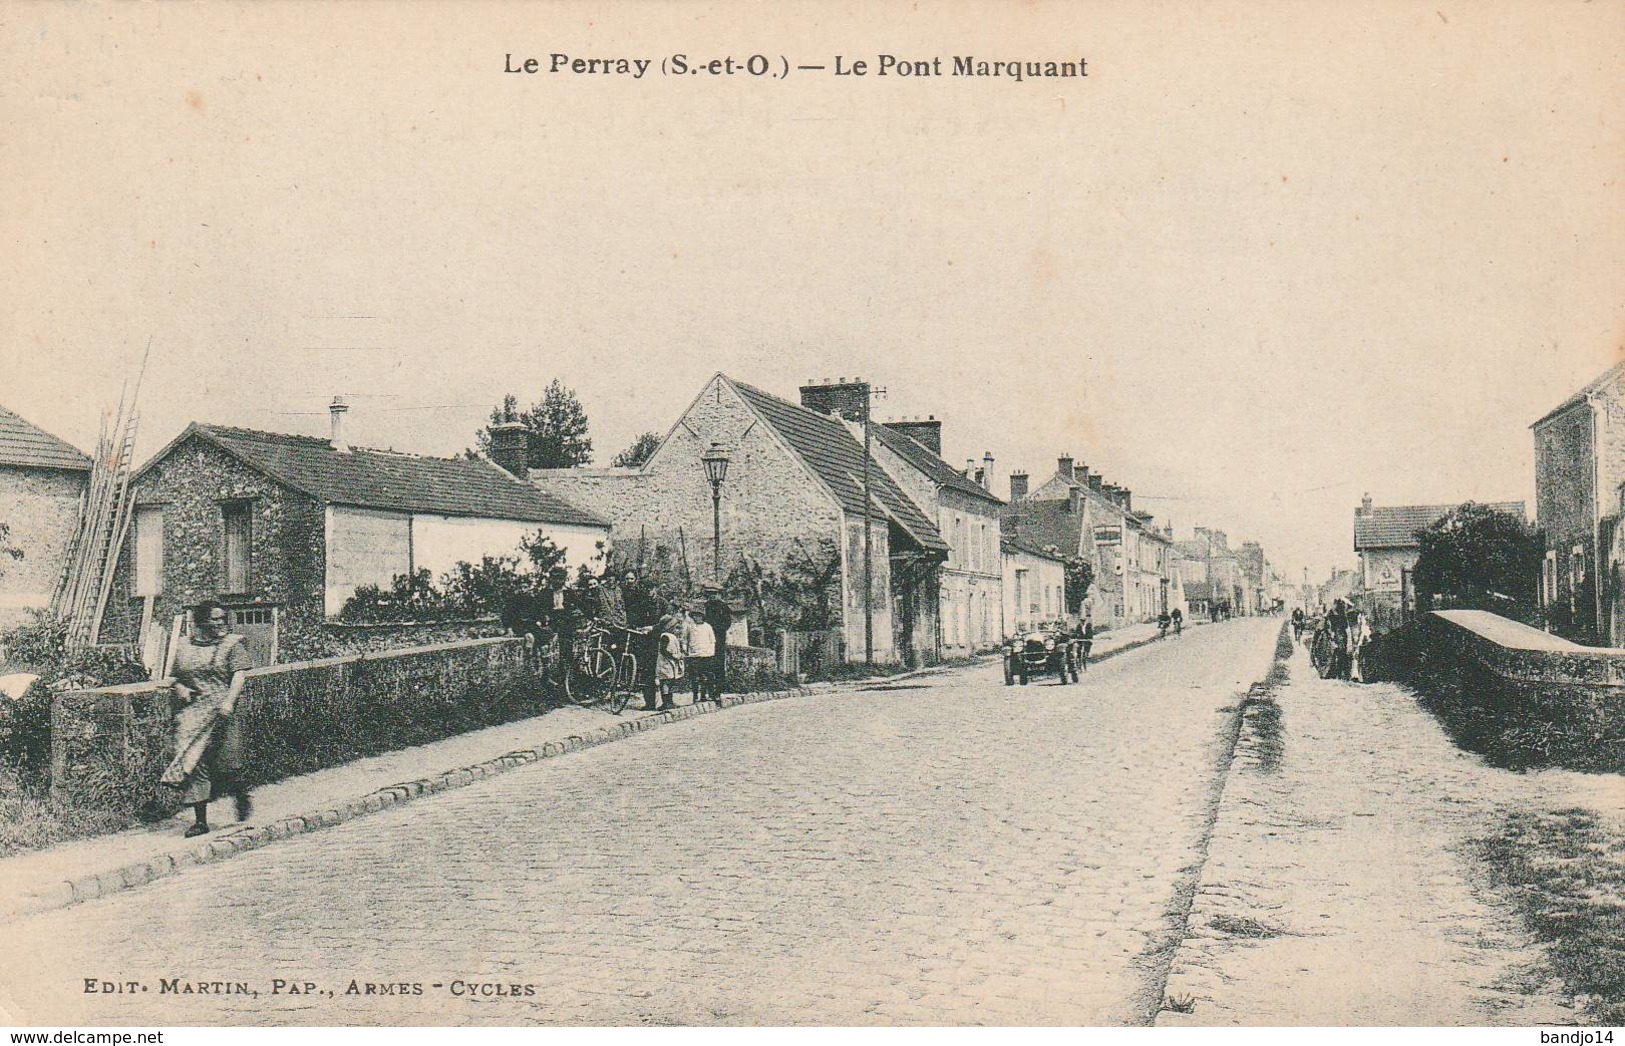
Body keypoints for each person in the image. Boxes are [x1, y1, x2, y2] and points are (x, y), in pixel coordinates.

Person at [162, 600, 255, 837]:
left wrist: (229, 702)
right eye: (215, 619)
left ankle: (240, 793)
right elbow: (175, 676)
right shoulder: (184, 646)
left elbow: (239, 676)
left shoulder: (232, 645)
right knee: (194, 764)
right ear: (202, 621)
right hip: (194, 712)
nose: (220, 624)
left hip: (223, 708)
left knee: (228, 764)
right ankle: (200, 821)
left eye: (223, 619)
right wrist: (180, 687)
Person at [622, 570, 662, 710]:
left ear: (655, 589)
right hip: (644, 640)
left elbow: (670, 621)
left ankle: (667, 701)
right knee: (646, 671)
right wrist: (637, 627)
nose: (649, 592)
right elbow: (635, 617)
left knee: (663, 671)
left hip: (660, 640)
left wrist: (653, 627)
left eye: (651, 589)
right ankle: (650, 703)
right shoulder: (642, 602)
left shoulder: (662, 603)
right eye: (646, 589)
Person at [653, 598, 688, 710]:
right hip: (665, 664)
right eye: (675, 628)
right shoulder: (665, 636)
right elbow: (664, 651)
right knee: (665, 683)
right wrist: (674, 657)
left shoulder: (673, 637)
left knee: (670, 682)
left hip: (670, 664)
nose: (677, 630)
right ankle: (665, 703)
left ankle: (669, 701)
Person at [703, 584, 733, 696]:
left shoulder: (723, 607)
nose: (712, 596)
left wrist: (717, 629)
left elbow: (727, 623)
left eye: (714, 594)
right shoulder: (705, 606)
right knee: (708, 662)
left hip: (719, 637)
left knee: (719, 662)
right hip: (705, 639)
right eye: (710, 594)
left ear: (719, 594)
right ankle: (709, 688)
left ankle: (720, 687)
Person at [686, 601, 719, 703]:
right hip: (694, 655)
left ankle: (704, 695)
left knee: (705, 676)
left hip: (706, 655)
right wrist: (687, 651)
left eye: (699, 616)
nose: (696, 618)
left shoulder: (708, 627)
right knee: (694, 677)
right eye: (695, 616)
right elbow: (686, 640)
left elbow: (712, 641)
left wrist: (710, 653)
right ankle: (695, 695)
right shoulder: (690, 627)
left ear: (702, 617)